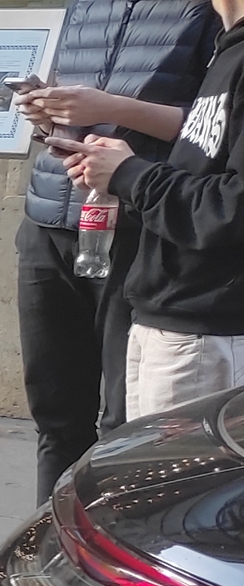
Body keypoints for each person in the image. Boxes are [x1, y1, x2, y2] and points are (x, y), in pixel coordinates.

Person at [10, 0, 223, 500]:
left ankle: (110, 553)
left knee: (123, 419)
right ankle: (50, 545)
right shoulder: (86, 6)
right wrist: (47, 110)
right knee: (55, 411)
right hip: (51, 217)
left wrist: (108, 108)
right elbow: (73, 108)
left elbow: (216, 129)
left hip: (137, 226)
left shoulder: (207, 10)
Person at [61, 0, 244, 418]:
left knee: (180, 483)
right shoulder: (227, 49)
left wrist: (129, 174)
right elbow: (202, 169)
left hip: (209, 324)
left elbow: (232, 208)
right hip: (166, 310)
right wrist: (117, 167)